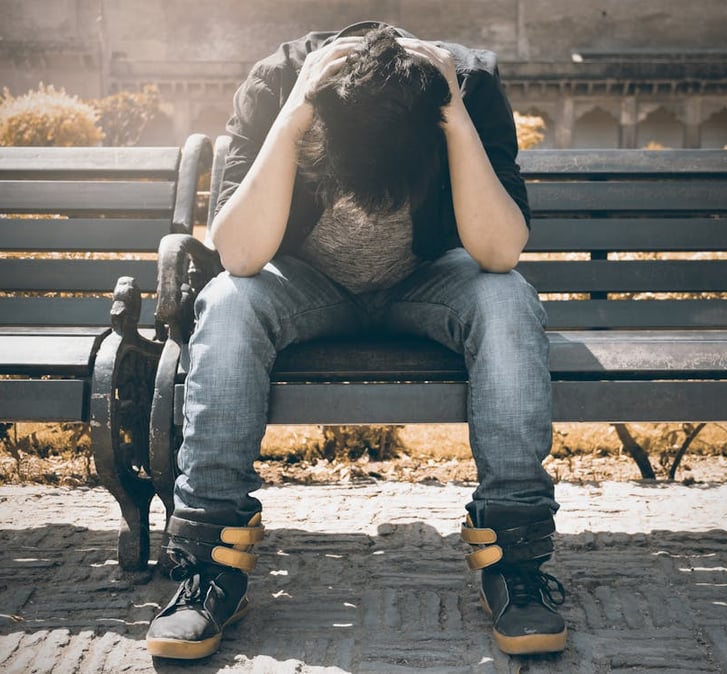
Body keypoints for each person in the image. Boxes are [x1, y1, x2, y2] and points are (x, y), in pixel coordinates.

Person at [145, 20, 566, 660]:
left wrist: (452, 118)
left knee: (507, 298)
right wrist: (293, 117)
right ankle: (207, 565)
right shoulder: (278, 84)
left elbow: (500, 251)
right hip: (305, 283)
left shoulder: (468, 88)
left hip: (427, 280)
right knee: (228, 302)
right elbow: (239, 253)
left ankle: (515, 559)